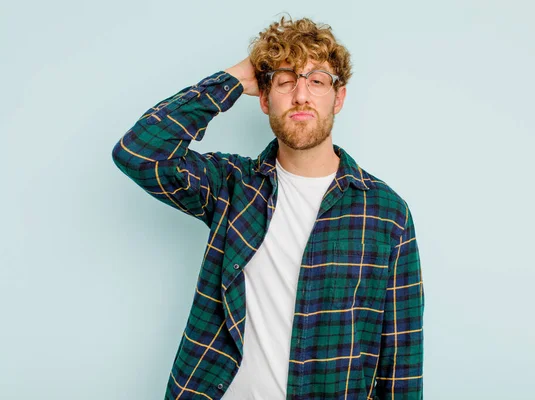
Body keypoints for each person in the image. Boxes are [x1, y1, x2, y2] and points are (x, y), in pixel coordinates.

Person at [112, 16, 424, 400]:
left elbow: (402, 365)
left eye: (317, 80)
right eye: (285, 80)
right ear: (263, 98)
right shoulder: (232, 185)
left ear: (338, 97)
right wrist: (232, 80)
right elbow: (138, 152)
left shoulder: (386, 213)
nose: (301, 95)